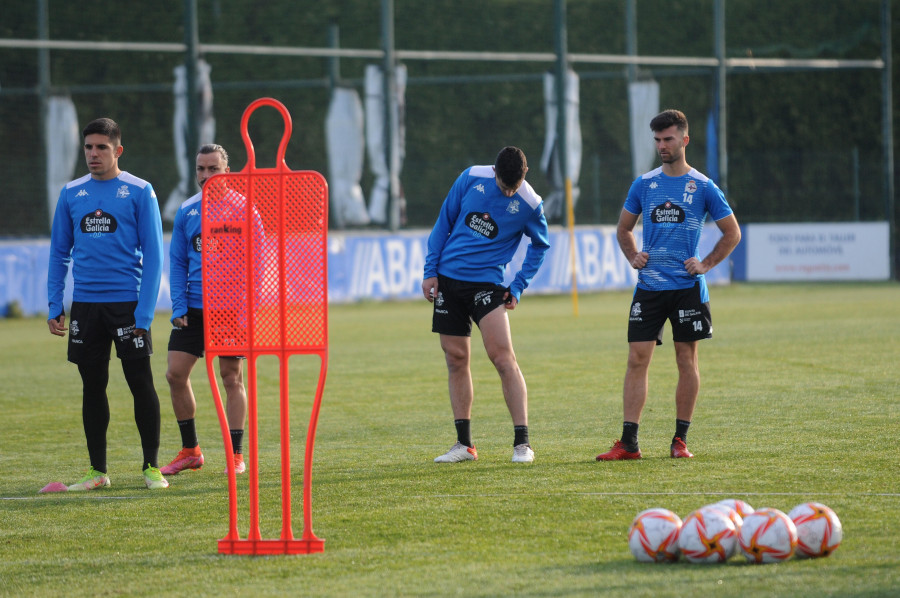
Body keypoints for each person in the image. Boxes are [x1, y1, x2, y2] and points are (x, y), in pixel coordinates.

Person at [596, 109, 741, 461]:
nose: (662, 145)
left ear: (684, 140)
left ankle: (680, 440)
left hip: (688, 289)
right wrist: (632, 254)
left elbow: (732, 232)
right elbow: (623, 228)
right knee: (636, 358)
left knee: (685, 358)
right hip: (649, 287)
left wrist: (705, 263)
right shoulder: (644, 184)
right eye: (658, 140)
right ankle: (629, 443)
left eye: (668, 139)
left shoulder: (703, 187)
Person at [47, 117, 168, 490]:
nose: (93, 154)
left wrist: (144, 315)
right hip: (86, 307)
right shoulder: (71, 193)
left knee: (140, 383)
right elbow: (58, 253)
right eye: (88, 147)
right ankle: (97, 472)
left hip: (127, 306)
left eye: (101, 147)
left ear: (118, 150)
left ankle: (151, 467)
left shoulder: (139, 190)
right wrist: (55, 303)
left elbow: (154, 256)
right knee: (92, 386)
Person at [423, 146, 550, 464]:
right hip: (449, 282)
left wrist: (518, 285)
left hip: (488, 286)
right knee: (455, 359)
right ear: (494, 172)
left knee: (503, 358)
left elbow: (540, 245)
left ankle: (522, 444)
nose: (509, 192)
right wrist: (430, 272)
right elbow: (444, 223)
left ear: (525, 175)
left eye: (514, 187)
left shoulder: (530, 204)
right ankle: (464, 445)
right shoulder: (470, 178)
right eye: (504, 186)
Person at [160, 144, 249, 476]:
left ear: (227, 171)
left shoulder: (245, 209)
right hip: (194, 310)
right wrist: (179, 305)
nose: (206, 175)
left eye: (213, 168)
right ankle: (190, 450)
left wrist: (245, 306)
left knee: (231, 378)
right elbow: (179, 261)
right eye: (201, 169)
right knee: (175, 374)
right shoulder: (187, 211)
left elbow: (262, 261)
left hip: (231, 312)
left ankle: (236, 455)